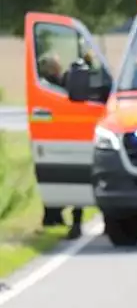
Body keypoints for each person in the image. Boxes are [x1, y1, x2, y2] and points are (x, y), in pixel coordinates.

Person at [36, 51, 84, 239]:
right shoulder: (55, 85)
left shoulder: (47, 85)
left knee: (59, 178)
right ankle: (68, 219)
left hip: (58, 138)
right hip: (67, 136)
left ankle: (55, 217)